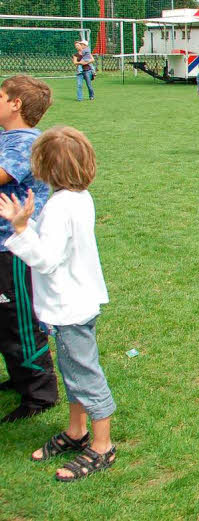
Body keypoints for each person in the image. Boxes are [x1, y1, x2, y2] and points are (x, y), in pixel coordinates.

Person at [1, 127, 116, 481]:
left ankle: (102, 446)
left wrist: (20, 229)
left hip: (71, 306)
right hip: (76, 299)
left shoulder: (58, 208)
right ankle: (76, 431)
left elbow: (47, 260)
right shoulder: (79, 197)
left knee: (84, 374)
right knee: (71, 371)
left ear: (44, 168)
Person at [0, 75, 58, 422]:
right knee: (4, 319)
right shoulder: (8, 137)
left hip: (17, 248)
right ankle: (21, 375)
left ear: (15, 103)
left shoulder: (26, 142)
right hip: (4, 244)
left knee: (20, 319)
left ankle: (39, 392)